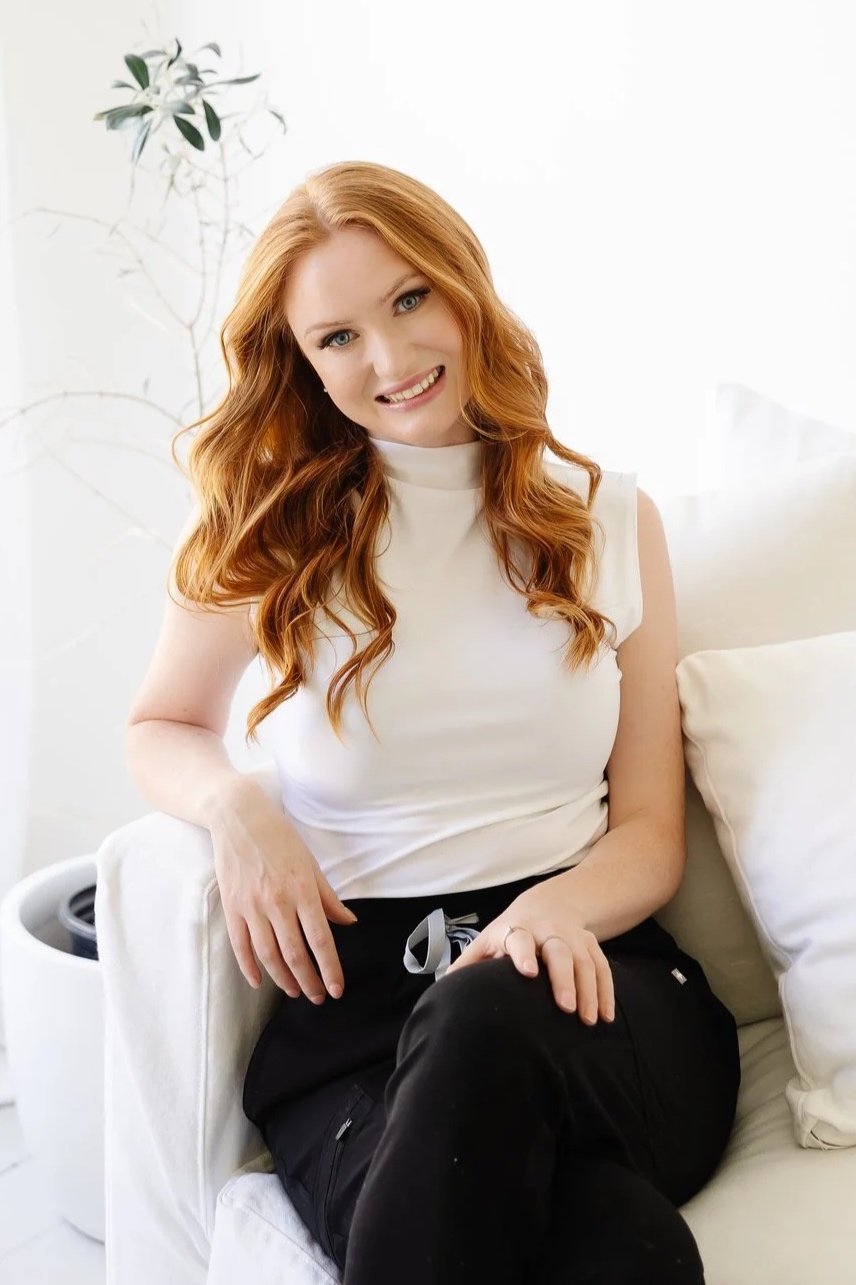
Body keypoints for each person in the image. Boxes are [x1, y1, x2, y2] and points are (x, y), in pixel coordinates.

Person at [125, 161, 741, 1285]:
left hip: (593, 993)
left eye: (410, 300)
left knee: (482, 1015)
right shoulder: (267, 534)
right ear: (300, 363)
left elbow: (650, 831)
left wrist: (538, 920)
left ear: (463, 289)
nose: (392, 360)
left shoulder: (604, 517)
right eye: (338, 337)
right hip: (356, 1032)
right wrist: (234, 801)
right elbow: (161, 722)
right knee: (629, 1252)